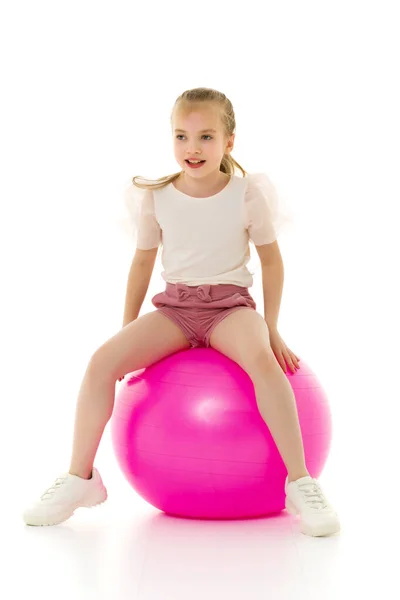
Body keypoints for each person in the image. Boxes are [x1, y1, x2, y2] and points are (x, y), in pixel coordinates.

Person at [22, 87, 340, 537]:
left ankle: (300, 482)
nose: (193, 148)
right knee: (100, 363)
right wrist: (127, 331)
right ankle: (80, 479)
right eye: (182, 136)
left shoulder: (246, 193)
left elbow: (271, 260)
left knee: (263, 364)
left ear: (229, 142)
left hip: (230, 307)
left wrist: (271, 327)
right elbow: (141, 263)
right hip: (176, 308)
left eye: (207, 137)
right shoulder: (157, 195)